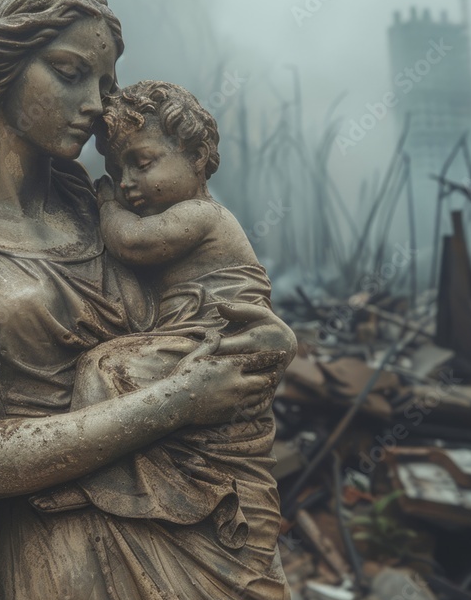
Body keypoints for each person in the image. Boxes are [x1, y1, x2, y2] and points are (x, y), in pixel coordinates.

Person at [0, 0, 295, 600]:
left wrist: (250, 350)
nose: (95, 102)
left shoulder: (115, 209)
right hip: (55, 553)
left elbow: (222, 325)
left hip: (202, 513)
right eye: (69, 72)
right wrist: (179, 400)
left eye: (105, 84)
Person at [33, 80, 288, 557]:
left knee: (110, 368)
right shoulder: (190, 213)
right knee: (107, 367)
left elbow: (132, 242)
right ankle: (108, 486)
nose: (128, 181)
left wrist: (106, 204)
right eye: (115, 169)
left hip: (213, 339)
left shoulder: (201, 215)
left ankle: (100, 484)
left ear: (196, 156)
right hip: (189, 338)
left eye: (143, 163)